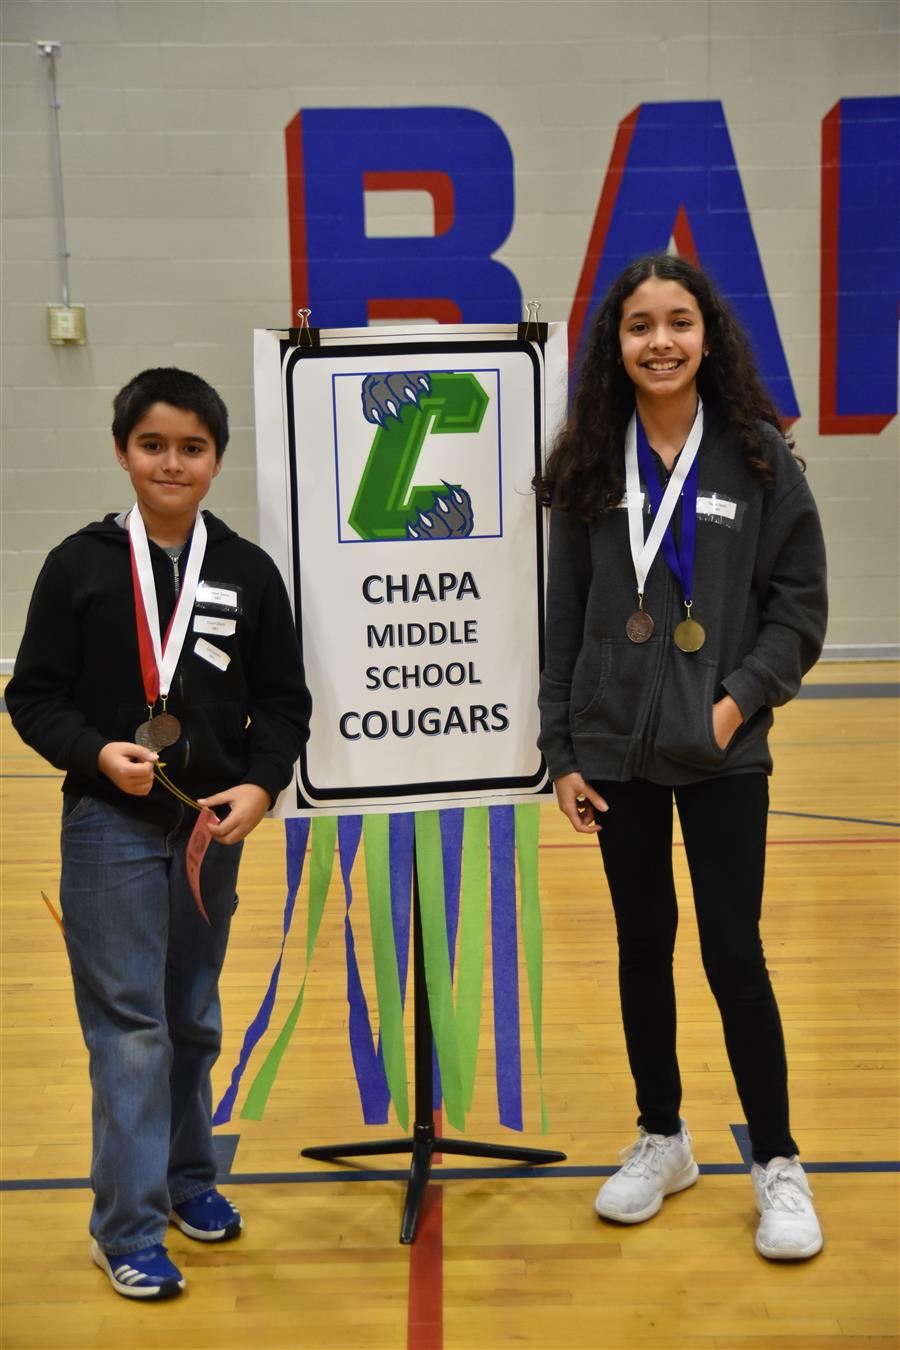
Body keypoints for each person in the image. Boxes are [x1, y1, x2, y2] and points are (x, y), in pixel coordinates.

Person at [537, 254, 827, 1260]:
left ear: (710, 335)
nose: (659, 341)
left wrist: (737, 703)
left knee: (731, 951)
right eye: (638, 326)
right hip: (612, 751)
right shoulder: (588, 458)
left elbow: (799, 606)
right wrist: (561, 750)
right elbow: (562, 615)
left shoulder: (757, 456)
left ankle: (778, 1160)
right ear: (614, 344)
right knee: (641, 941)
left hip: (722, 753)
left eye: (678, 322)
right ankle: (663, 1136)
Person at [7, 368, 311, 1299]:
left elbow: (284, 702)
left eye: (192, 447)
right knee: (131, 1030)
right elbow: (32, 696)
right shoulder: (81, 563)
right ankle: (125, 1228)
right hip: (110, 826)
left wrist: (261, 788)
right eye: (152, 445)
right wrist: (97, 752)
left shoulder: (249, 571)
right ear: (121, 452)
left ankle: (188, 1182)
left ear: (218, 458)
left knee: (190, 1017)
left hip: (211, 832)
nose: (171, 462)